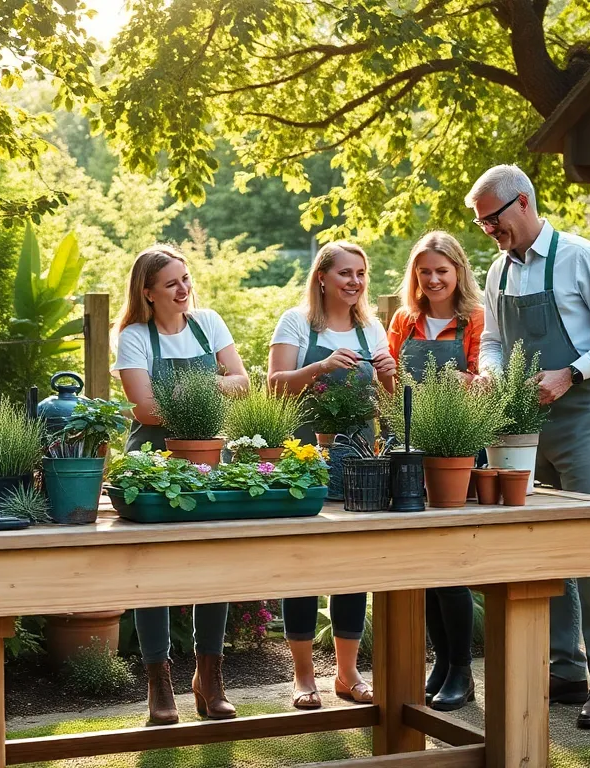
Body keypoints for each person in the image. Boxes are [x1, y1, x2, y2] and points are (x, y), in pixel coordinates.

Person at [466, 164, 590, 729]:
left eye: (491, 220)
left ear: (521, 203)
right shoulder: (498, 271)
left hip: (584, 415)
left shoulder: (579, 256)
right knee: (543, 546)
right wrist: (492, 372)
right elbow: (493, 341)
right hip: (521, 422)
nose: (488, 233)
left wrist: (571, 370)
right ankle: (565, 670)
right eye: (481, 225)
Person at [112, 244, 250, 726]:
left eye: (186, 279)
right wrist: (209, 386)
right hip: (152, 465)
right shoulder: (133, 336)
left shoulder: (208, 322)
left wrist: (192, 390)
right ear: (147, 292)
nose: (184, 289)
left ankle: (209, 675)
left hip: (210, 459)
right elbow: (145, 411)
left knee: (214, 566)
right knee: (153, 571)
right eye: (172, 283)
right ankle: (159, 679)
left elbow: (243, 382)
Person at [266, 240, 397, 710]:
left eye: (361, 273)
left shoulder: (371, 329)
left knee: (351, 568)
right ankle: (303, 678)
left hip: (360, 464)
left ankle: (347, 674)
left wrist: (388, 375)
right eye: (346, 273)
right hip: (302, 462)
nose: (356, 282)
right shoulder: (296, 322)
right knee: (302, 565)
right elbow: (273, 386)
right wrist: (319, 366)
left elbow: (389, 403)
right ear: (322, 276)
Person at [385, 231, 486, 712]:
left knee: (452, 565)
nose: (433, 279)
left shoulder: (474, 321)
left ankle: (462, 670)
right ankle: (442, 664)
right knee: (426, 562)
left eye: (442, 271)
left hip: (459, 449)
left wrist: (459, 380)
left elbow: (484, 382)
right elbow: (389, 383)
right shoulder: (405, 320)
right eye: (424, 271)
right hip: (411, 447)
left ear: (458, 272)